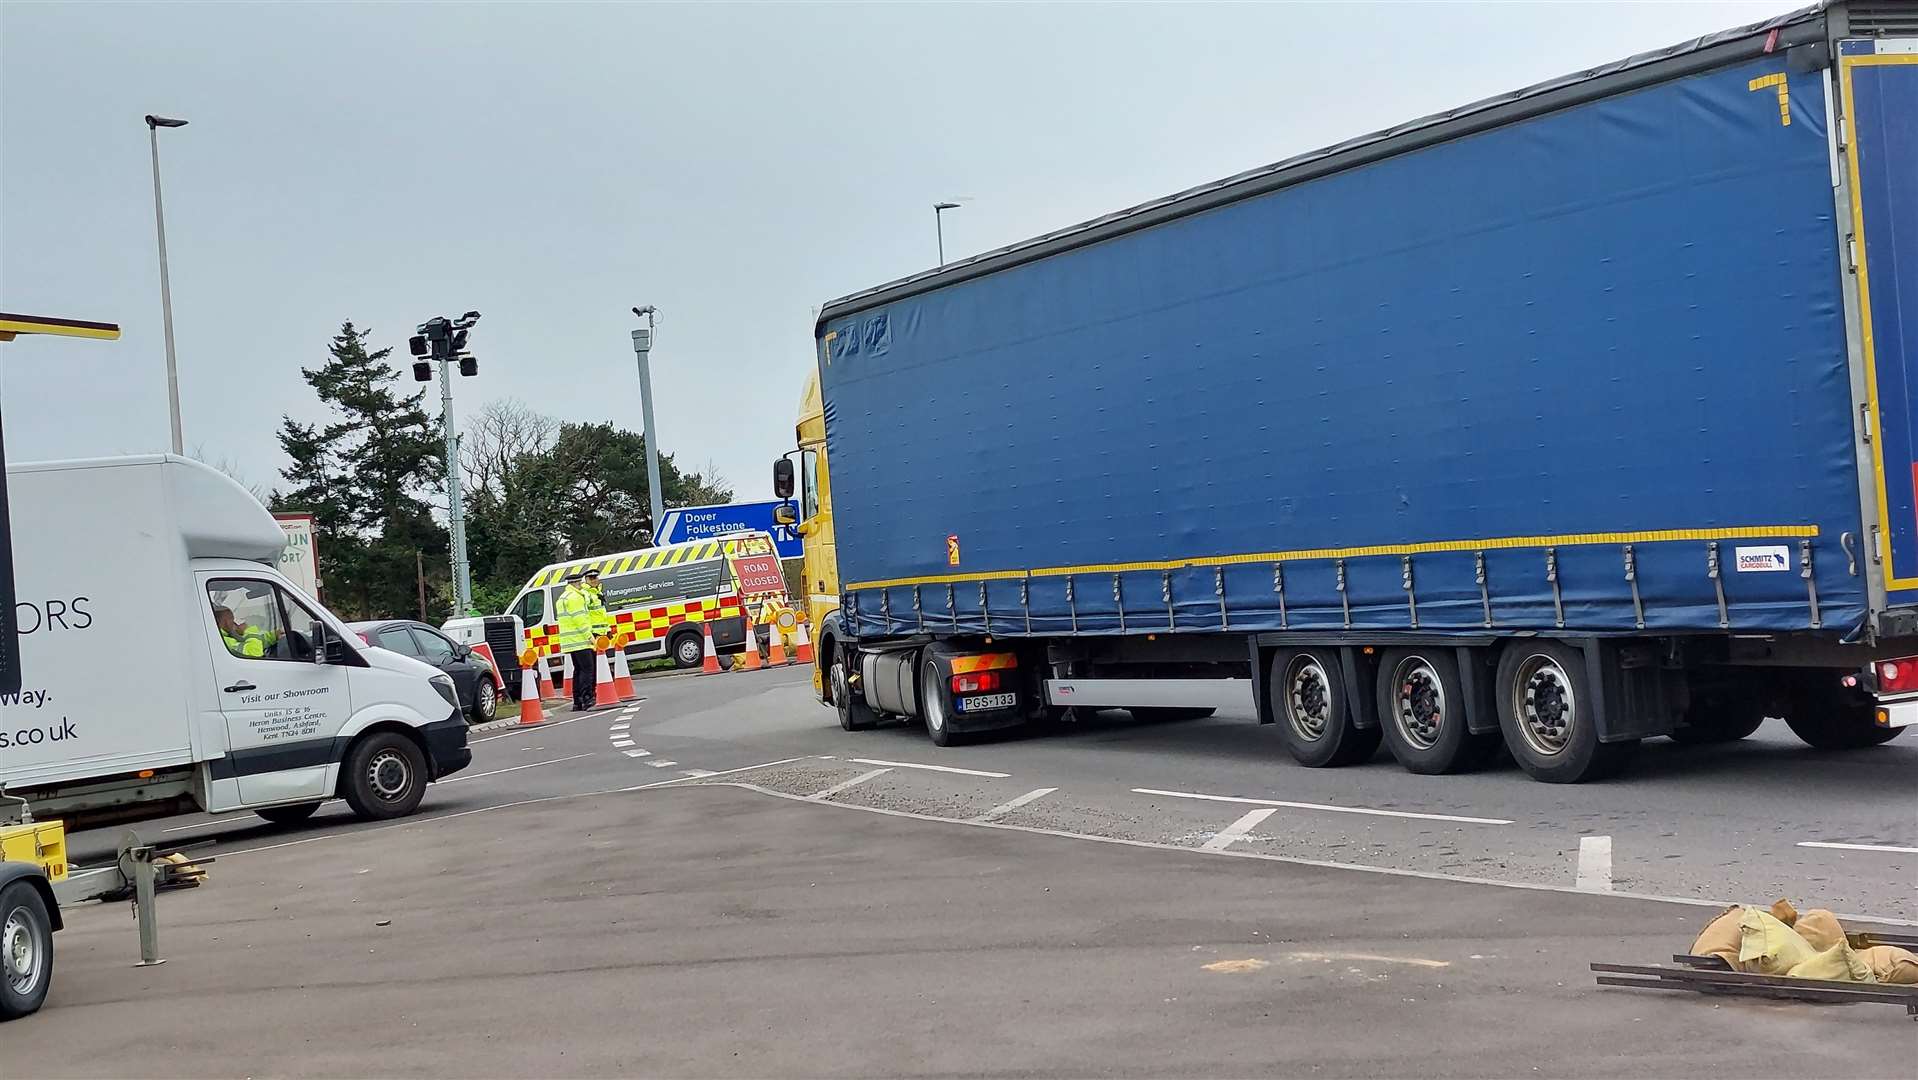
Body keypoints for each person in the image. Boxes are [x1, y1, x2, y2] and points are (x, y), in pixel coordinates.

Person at [554, 570, 598, 711]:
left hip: (570, 641)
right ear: (577, 583)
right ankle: (587, 699)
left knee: (578, 670)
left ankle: (577, 701)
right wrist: (590, 636)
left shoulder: (562, 598)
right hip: (580, 640)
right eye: (580, 583)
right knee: (587, 670)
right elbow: (580, 619)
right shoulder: (575, 597)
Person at [213, 601, 278, 659]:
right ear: (226, 622)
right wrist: (248, 629)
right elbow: (254, 652)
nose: (234, 622)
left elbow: (254, 642)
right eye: (231, 619)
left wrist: (274, 636)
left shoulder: (226, 635)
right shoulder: (224, 640)